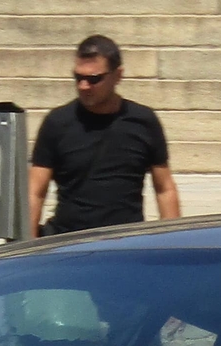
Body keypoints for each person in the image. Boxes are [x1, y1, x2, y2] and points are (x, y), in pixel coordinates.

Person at [28, 36, 181, 236]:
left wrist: (171, 243)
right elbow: (35, 191)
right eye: (78, 77)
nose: (83, 86)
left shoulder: (143, 121)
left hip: (125, 243)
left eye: (93, 79)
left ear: (118, 75)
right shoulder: (57, 123)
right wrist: (28, 248)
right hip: (67, 242)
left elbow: (164, 188)